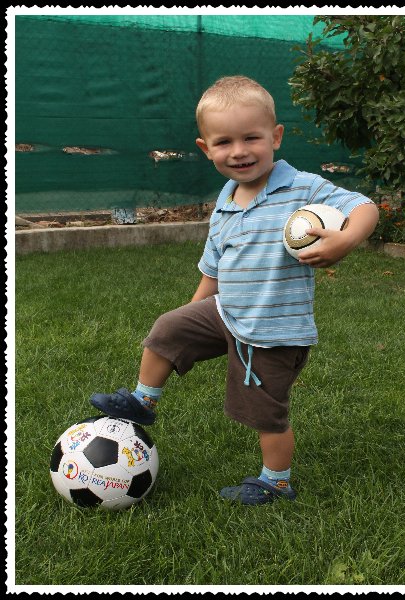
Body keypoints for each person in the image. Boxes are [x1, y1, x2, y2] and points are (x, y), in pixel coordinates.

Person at [90, 75, 379, 505]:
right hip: (225, 310)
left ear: (275, 137)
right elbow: (213, 269)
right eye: (224, 142)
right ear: (206, 149)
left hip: (274, 331)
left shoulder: (302, 187)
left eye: (251, 138)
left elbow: (364, 206)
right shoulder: (225, 203)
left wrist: (347, 239)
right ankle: (143, 401)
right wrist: (190, 317)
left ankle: (276, 482)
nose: (239, 151)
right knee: (168, 328)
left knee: (265, 413)